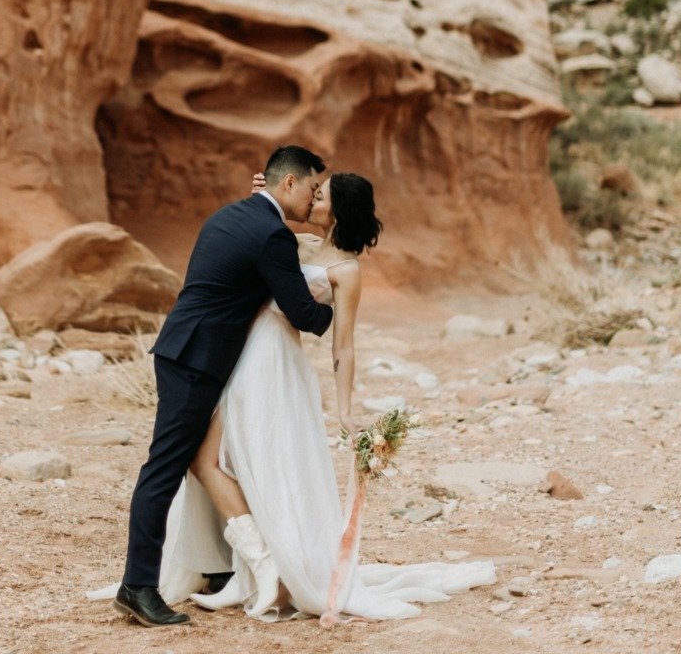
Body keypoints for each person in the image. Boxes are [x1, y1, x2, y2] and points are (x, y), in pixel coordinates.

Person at [148, 171, 496, 622]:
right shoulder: (294, 243)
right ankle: (251, 565)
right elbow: (263, 227)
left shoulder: (347, 271)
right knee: (221, 460)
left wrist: (346, 409)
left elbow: (343, 345)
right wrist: (262, 195)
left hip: (271, 363)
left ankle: (267, 568)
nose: (312, 198)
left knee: (226, 459)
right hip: (236, 353)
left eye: (322, 194)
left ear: (339, 209)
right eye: (313, 190)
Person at [112, 145, 334, 628]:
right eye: (313, 189)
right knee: (166, 468)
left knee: (203, 464)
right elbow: (303, 314)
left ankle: (212, 568)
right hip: (197, 361)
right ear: (289, 184)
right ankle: (138, 586)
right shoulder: (272, 235)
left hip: (185, 350)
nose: (315, 199)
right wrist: (333, 308)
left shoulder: (232, 214)